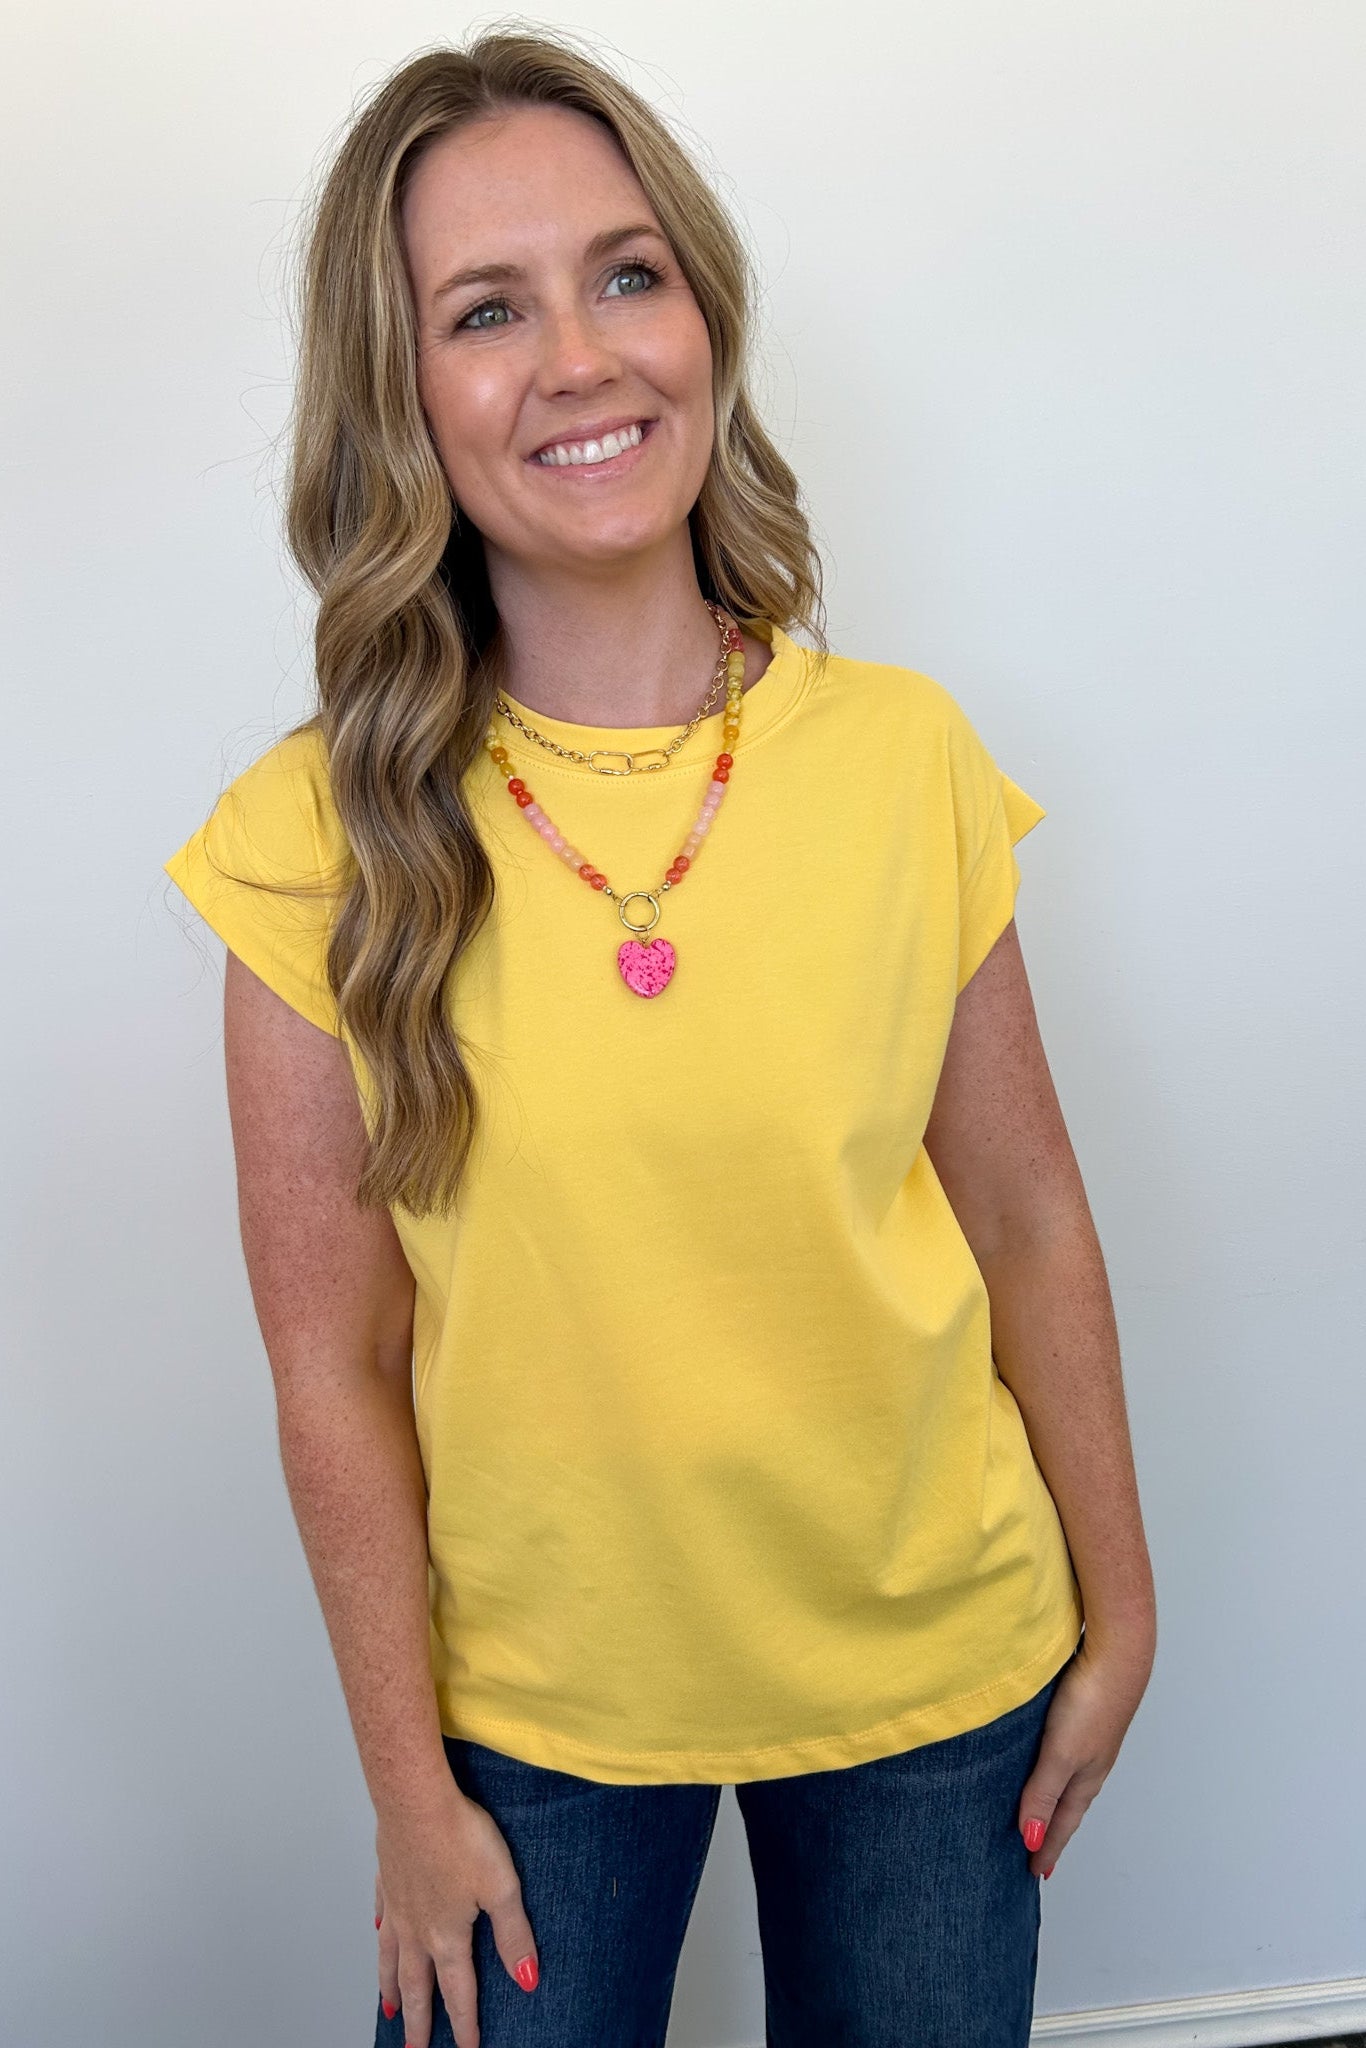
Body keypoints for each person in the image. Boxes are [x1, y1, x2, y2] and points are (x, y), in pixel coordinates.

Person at [162, 28, 1156, 2048]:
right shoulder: (309, 841)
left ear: (702, 312)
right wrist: (401, 1792)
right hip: (528, 1722)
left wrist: (1121, 1606)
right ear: (404, 392)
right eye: (484, 310)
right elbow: (328, 1361)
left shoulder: (902, 756)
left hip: (933, 1684)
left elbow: (1029, 1213)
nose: (582, 359)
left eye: (627, 274)